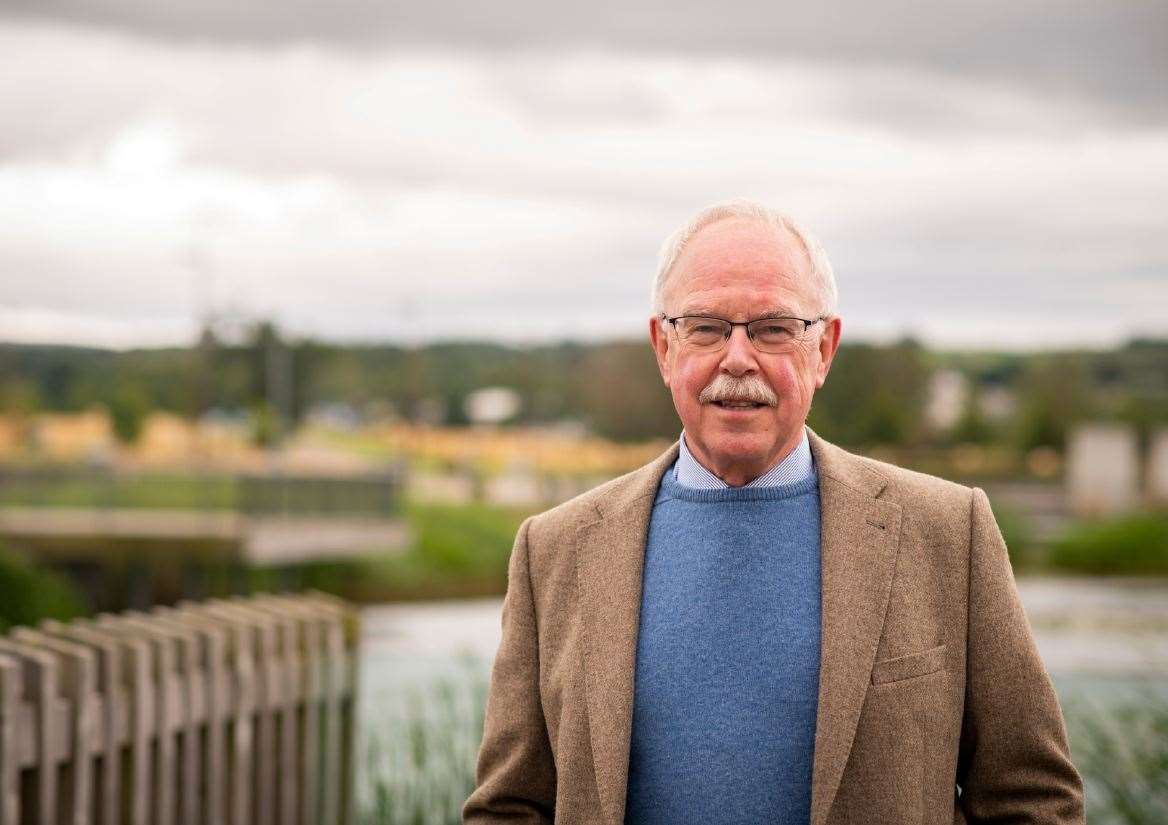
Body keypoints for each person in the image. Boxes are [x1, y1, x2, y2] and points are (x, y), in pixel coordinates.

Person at [462, 200, 1085, 824]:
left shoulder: (948, 534)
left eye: (773, 328)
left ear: (824, 348)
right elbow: (510, 806)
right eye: (705, 326)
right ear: (663, 347)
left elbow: (1030, 800)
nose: (737, 358)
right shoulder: (554, 550)